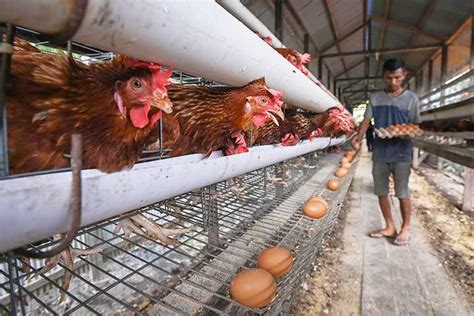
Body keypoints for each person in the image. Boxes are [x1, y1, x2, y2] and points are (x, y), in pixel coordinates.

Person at [351, 58, 421, 246]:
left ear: (403, 75)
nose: (393, 82)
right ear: (383, 77)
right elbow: (366, 120)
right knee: (381, 192)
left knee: (402, 192)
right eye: (389, 78)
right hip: (381, 152)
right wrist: (358, 137)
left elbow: (416, 125)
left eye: (397, 78)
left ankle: (405, 228)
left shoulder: (411, 99)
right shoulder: (375, 97)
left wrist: (408, 133)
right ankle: (390, 226)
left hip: (402, 152)